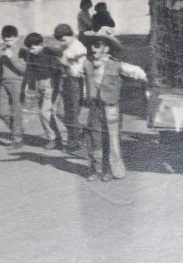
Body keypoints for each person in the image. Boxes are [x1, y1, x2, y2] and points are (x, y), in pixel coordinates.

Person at [81, 27, 147, 181]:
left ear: (106, 48)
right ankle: (95, 168)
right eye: (91, 45)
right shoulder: (87, 64)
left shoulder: (116, 65)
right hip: (94, 107)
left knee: (111, 140)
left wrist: (146, 82)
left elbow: (137, 72)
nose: (93, 48)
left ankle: (109, 170)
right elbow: (75, 72)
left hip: (111, 108)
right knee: (94, 138)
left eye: (97, 45)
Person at [23, 32, 64, 150]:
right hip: (38, 84)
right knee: (42, 113)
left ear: (41, 44)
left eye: (33, 47)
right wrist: (26, 85)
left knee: (44, 112)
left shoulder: (48, 54)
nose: (31, 50)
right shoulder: (31, 56)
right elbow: (29, 70)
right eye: (29, 48)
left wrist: (57, 89)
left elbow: (58, 69)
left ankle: (54, 139)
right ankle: (56, 138)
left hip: (49, 84)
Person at [54, 23, 88, 152]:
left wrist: (66, 64)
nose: (62, 43)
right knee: (60, 112)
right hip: (64, 80)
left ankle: (73, 143)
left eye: (64, 39)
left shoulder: (80, 49)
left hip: (74, 82)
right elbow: (60, 54)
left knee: (71, 112)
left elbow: (79, 71)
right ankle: (80, 130)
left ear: (71, 35)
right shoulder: (65, 46)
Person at [0, 25, 27, 149]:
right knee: (2, 112)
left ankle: (17, 139)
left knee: (16, 112)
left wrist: (12, 57)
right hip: (3, 83)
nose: (8, 43)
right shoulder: (1, 51)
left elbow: (23, 70)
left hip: (17, 83)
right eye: (6, 40)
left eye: (11, 40)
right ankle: (18, 130)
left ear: (17, 38)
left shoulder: (22, 51)